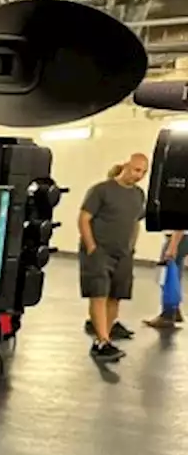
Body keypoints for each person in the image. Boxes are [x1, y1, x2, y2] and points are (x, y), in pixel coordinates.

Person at [78, 152, 148, 361]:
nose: (139, 175)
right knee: (99, 294)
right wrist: (91, 247)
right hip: (100, 251)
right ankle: (103, 340)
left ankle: (103, 339)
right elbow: (84, 218)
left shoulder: (138, 195)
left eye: (143, 172)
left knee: (115, 296)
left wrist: (132, 247)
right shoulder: (102, 190)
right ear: (126, 165)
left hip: (123, 253)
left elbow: (136, 222)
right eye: (136, 170)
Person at [144, 229, 187, 328]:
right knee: (174, 272)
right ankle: (175, 310)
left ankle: (167, 314)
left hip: (179, 237)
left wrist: (172, 246)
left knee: (166, 274)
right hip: (180, 237)